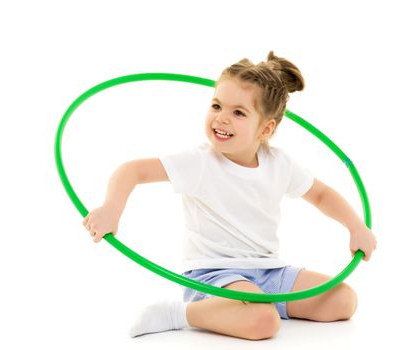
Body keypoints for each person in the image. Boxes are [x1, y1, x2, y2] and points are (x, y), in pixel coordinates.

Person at [82, 51, 377, 341]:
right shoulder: (200, 163)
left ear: (266, 128)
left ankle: (244, 307)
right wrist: (111, 208)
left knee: (342, 300)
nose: (221, 118)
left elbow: (322, 195)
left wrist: (355, 227)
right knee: (264, 322)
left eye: (238, 113)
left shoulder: (279, 163)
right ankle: (179, 314)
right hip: (214, 273)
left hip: (268, 271)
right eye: (216, 105)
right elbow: (132, 171)